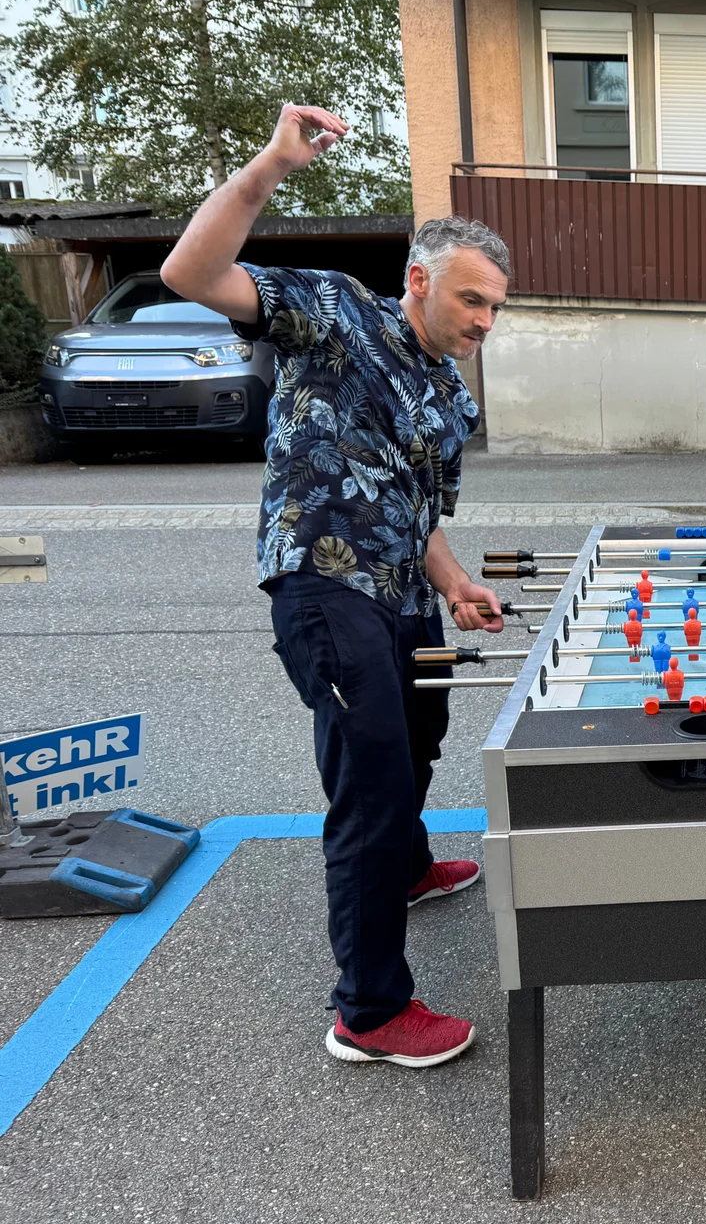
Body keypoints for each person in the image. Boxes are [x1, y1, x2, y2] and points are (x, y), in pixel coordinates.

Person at [161, 104, 510, 1068]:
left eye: (495, 310)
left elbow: (424, 513)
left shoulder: (450, 395)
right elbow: (189, 274)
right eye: (472, 300)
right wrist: (272, 164)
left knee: (422, 736)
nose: (483, 321)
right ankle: (367, 1011)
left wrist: (457, 583)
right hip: (322, 582)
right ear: (420, 281)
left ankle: (404, 871)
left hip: (404, 592)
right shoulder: (335, 311)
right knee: (371, 777)